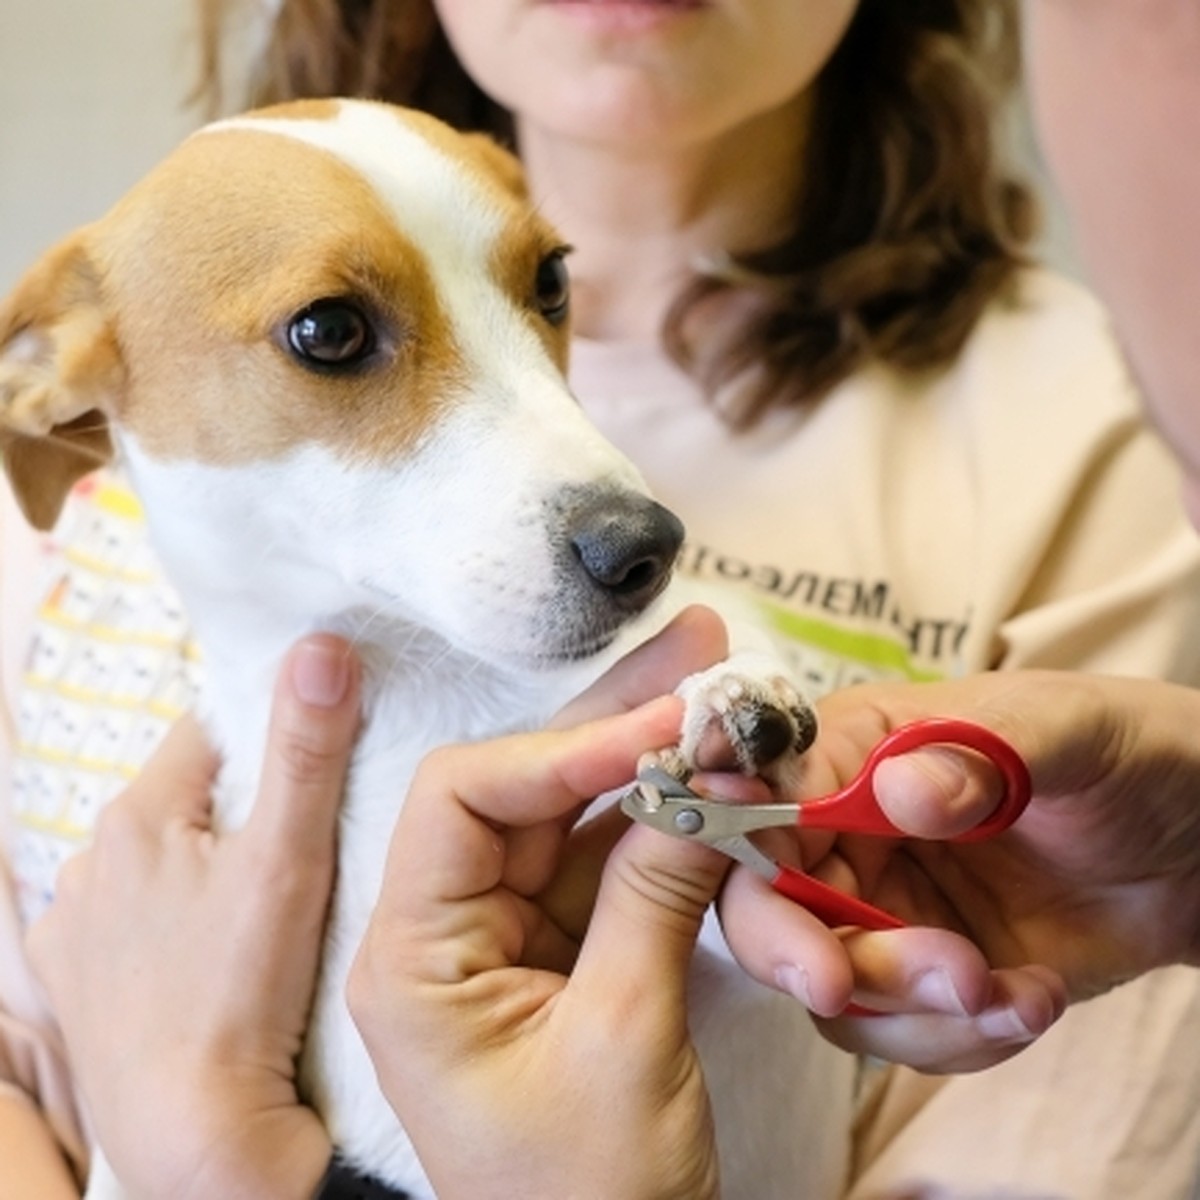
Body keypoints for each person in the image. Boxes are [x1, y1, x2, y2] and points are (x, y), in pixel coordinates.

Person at [5, 0, 1200, 1195]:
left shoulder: (1100, 416)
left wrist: (207, 1156)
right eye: (333, 333)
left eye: (541, 287)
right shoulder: (92, 491)